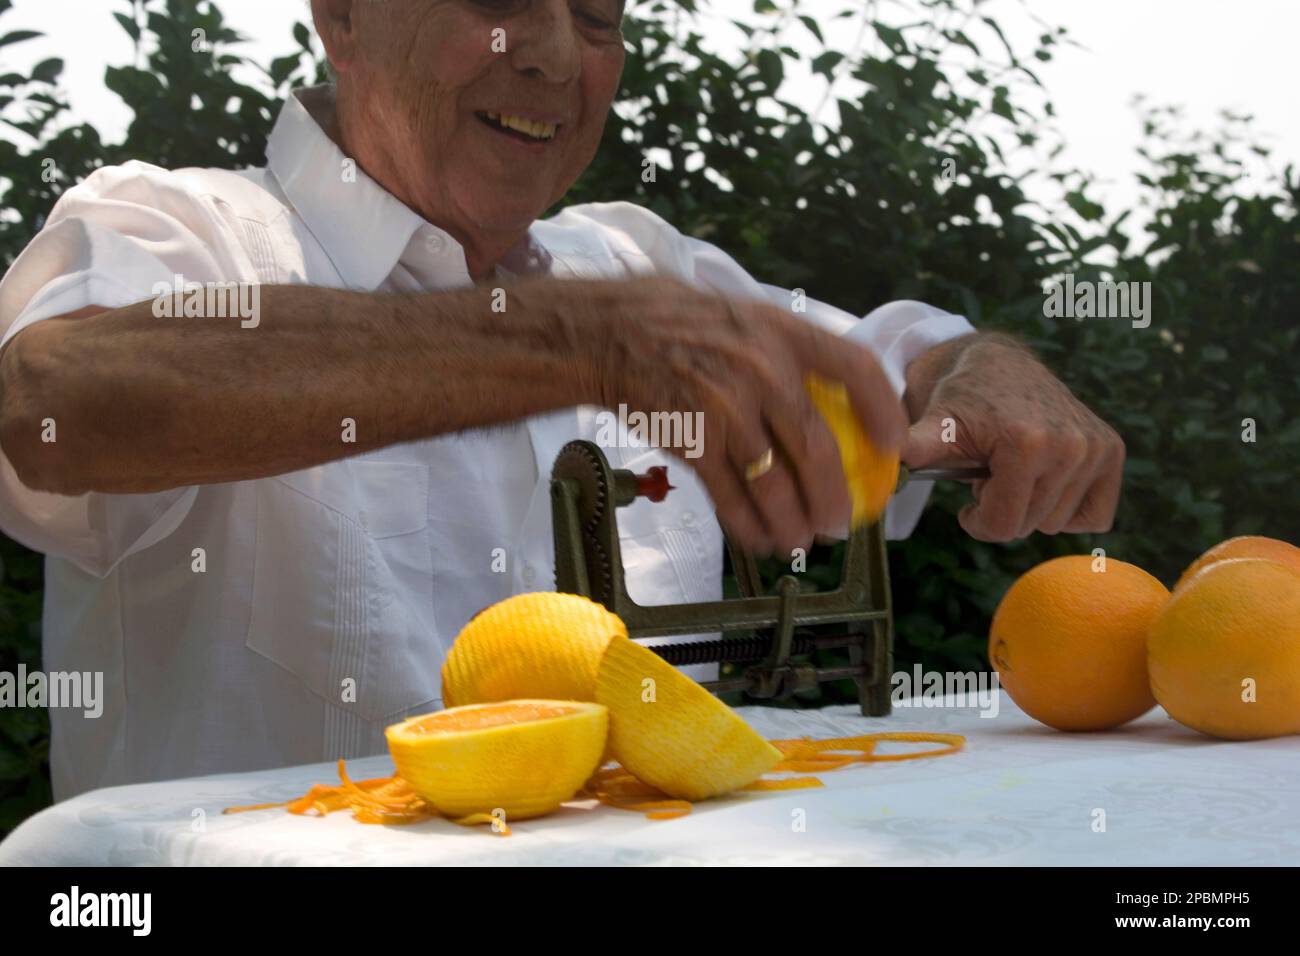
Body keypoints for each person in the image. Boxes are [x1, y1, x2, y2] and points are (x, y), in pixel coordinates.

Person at [0, 0, 1123, 799]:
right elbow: (51, 401)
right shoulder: (178, 229)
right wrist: (568, 340)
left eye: (595, 15)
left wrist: (982, 367)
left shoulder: (636, 266)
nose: (546, 53)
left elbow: (907, 367)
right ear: (339, 15)